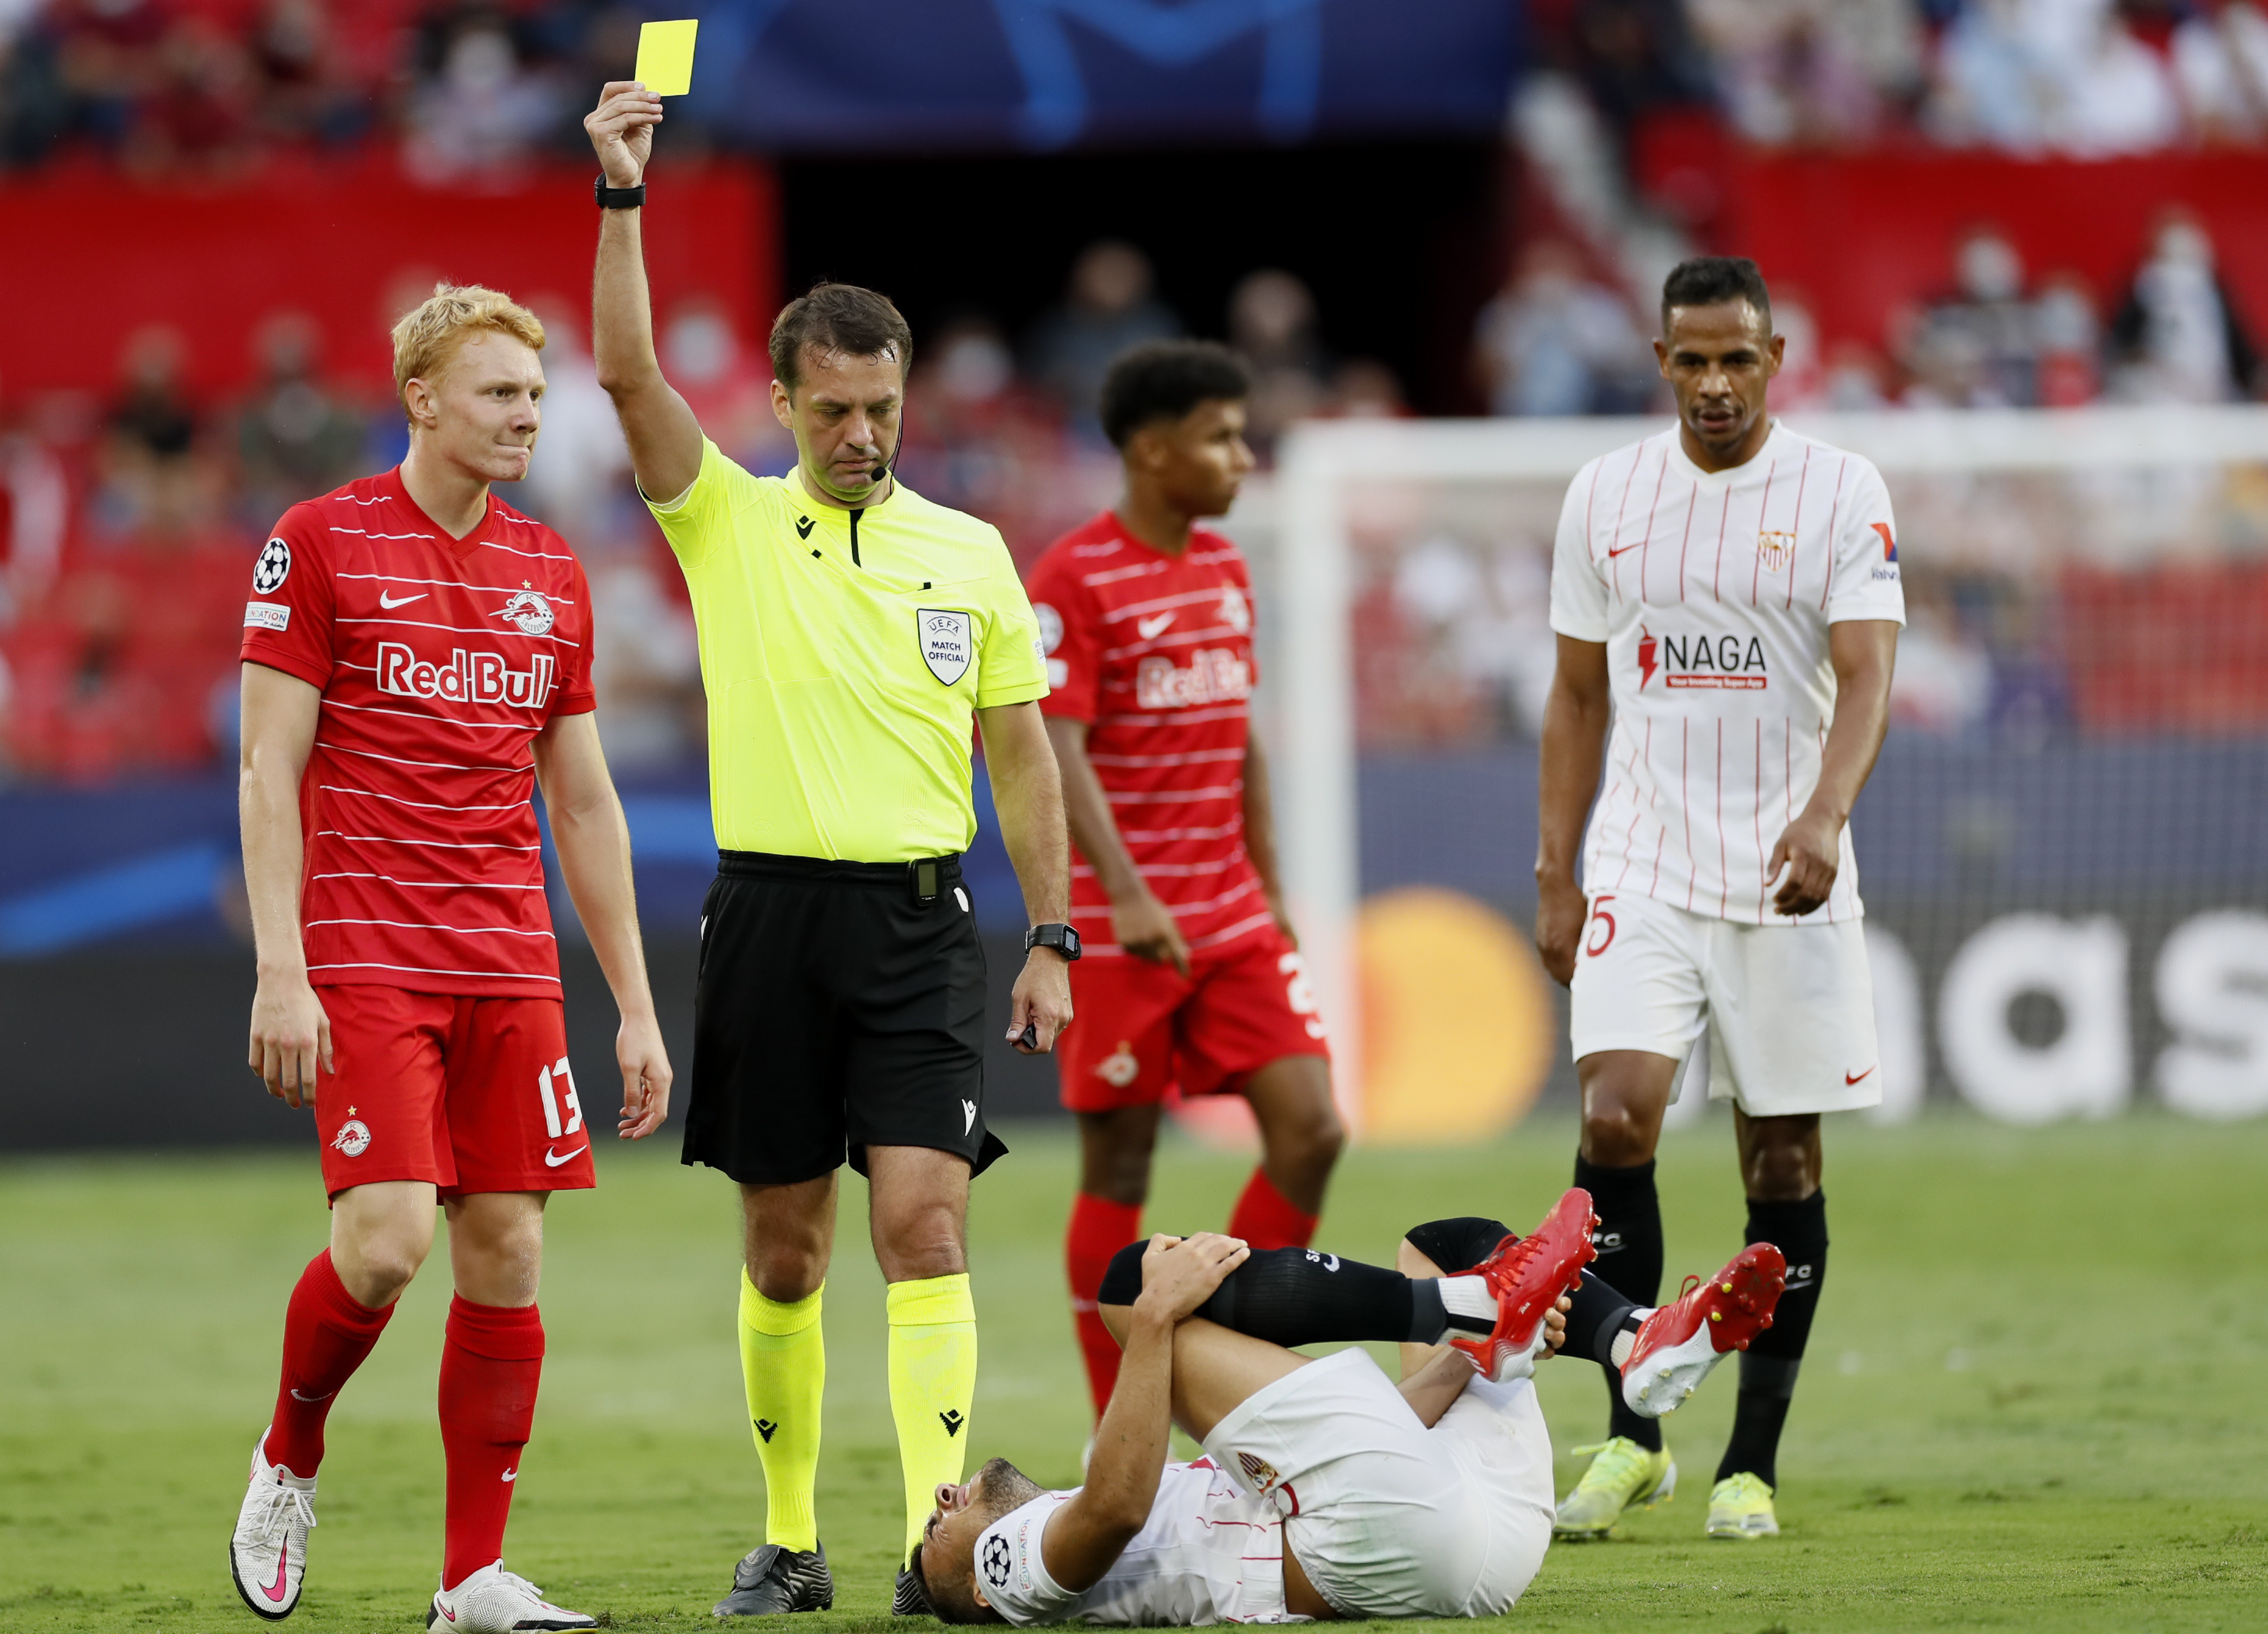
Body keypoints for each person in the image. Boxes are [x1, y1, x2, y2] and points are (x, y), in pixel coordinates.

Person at [584, 83, 1077, 1618]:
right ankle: (790, 1540)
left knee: (924, 1220)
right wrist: (621, 200)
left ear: (903, 398)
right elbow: (620, 368)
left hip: (922, 928)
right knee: (787, 1253)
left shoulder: (970, 551)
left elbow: (1019, 752)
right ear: (788, 404)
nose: (860, 433)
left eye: (882, 408)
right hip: (770, 924)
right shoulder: (724, 521)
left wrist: (1053, 934)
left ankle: (941, 1541)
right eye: (832, 410)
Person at [228, 284, 674, 1632]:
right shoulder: (319, 542)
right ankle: (289, 1453)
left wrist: (637, 1009)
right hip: (365, 953)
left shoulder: (550, 572)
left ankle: (470, 1579)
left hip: (509, 964)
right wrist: (281, 969)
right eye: (498, 393)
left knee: (509, 1257)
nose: (526, 416)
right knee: (385, 1242)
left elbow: (584, 803)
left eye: (536, 397)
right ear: (422, 398)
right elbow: (266, 768)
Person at [1534, 255, 1904, 1543]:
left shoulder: (1838, 490)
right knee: (1616, 1117)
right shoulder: (1604, 496)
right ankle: (1633, 1438)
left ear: (1775, 357)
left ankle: (1749, 1461)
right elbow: (1577, 696)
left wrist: (1821, 816)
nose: (1710, 384)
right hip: (1643, 859)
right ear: (1658, 363)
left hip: (1788, 875)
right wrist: (1554, 867)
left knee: (1781, 1158)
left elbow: (1864, 679)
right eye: (1688, 360)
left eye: (1733, 358)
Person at [910, 1193, 1787, 1624]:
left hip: (1475, 1541)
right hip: (1360, 1539)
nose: (944, 1501)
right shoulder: (1007, 1574)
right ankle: (1488, 1310)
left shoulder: (1136, 1506)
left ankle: (1637, 1342)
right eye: (931, 1535)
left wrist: (1473, 1364)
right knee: (1130, 1282)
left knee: (1446, 1247)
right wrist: (1149, 1321)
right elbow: (1114, 1506)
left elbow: (1384, 1446)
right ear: (978, 1594)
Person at [1023, 340, 1341, 1427]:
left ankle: (1236, 1361)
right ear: (1152, 449)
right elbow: (1056, 751)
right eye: (1218, 435)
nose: (1240, 457)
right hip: (1123, 924)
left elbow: (1239, 731)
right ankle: (1125, 1418)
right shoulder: (1072, 576)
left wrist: (1271, 878)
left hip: (1230, 911)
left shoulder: (1225, 567)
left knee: (1312, 1126)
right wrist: (1128, 891)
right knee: (1121, 1160)